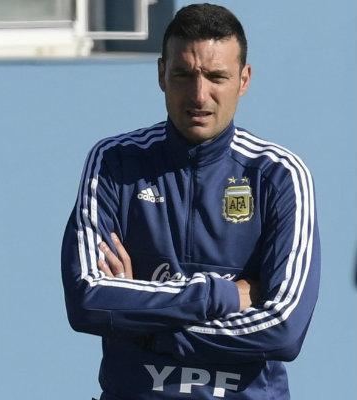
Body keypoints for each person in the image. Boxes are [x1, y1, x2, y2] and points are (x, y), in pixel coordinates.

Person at [61, 4, 319, 399]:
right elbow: (88, 301)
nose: (199, 95)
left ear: (244, 80)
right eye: (183, 74)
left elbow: (284, 329)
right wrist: (225, 295)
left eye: (217, 77)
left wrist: (143, 322)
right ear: (161, 74)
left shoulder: (279, 175)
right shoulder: (115, 162)